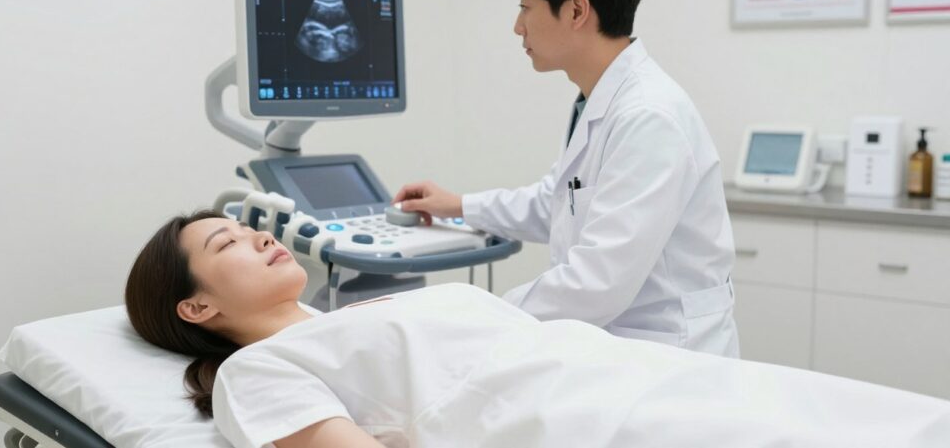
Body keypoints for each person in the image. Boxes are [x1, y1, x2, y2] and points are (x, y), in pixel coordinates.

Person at [124, 211, 950, 448]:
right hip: (578, 422)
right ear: (196, 308)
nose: (262, 236)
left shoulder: (366, 311)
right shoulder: (255, 373)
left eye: (251, 226)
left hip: (641, 375)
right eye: (227, 242)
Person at [393, 0, 739, 357]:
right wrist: (458, 206)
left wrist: (478, 317)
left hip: (666, 354)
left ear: (577, 11)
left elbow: (597, 284)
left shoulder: (648, 117)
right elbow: (558, 203)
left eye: (526, 6)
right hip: (621, 347)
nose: (518, 27)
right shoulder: (601, 100)